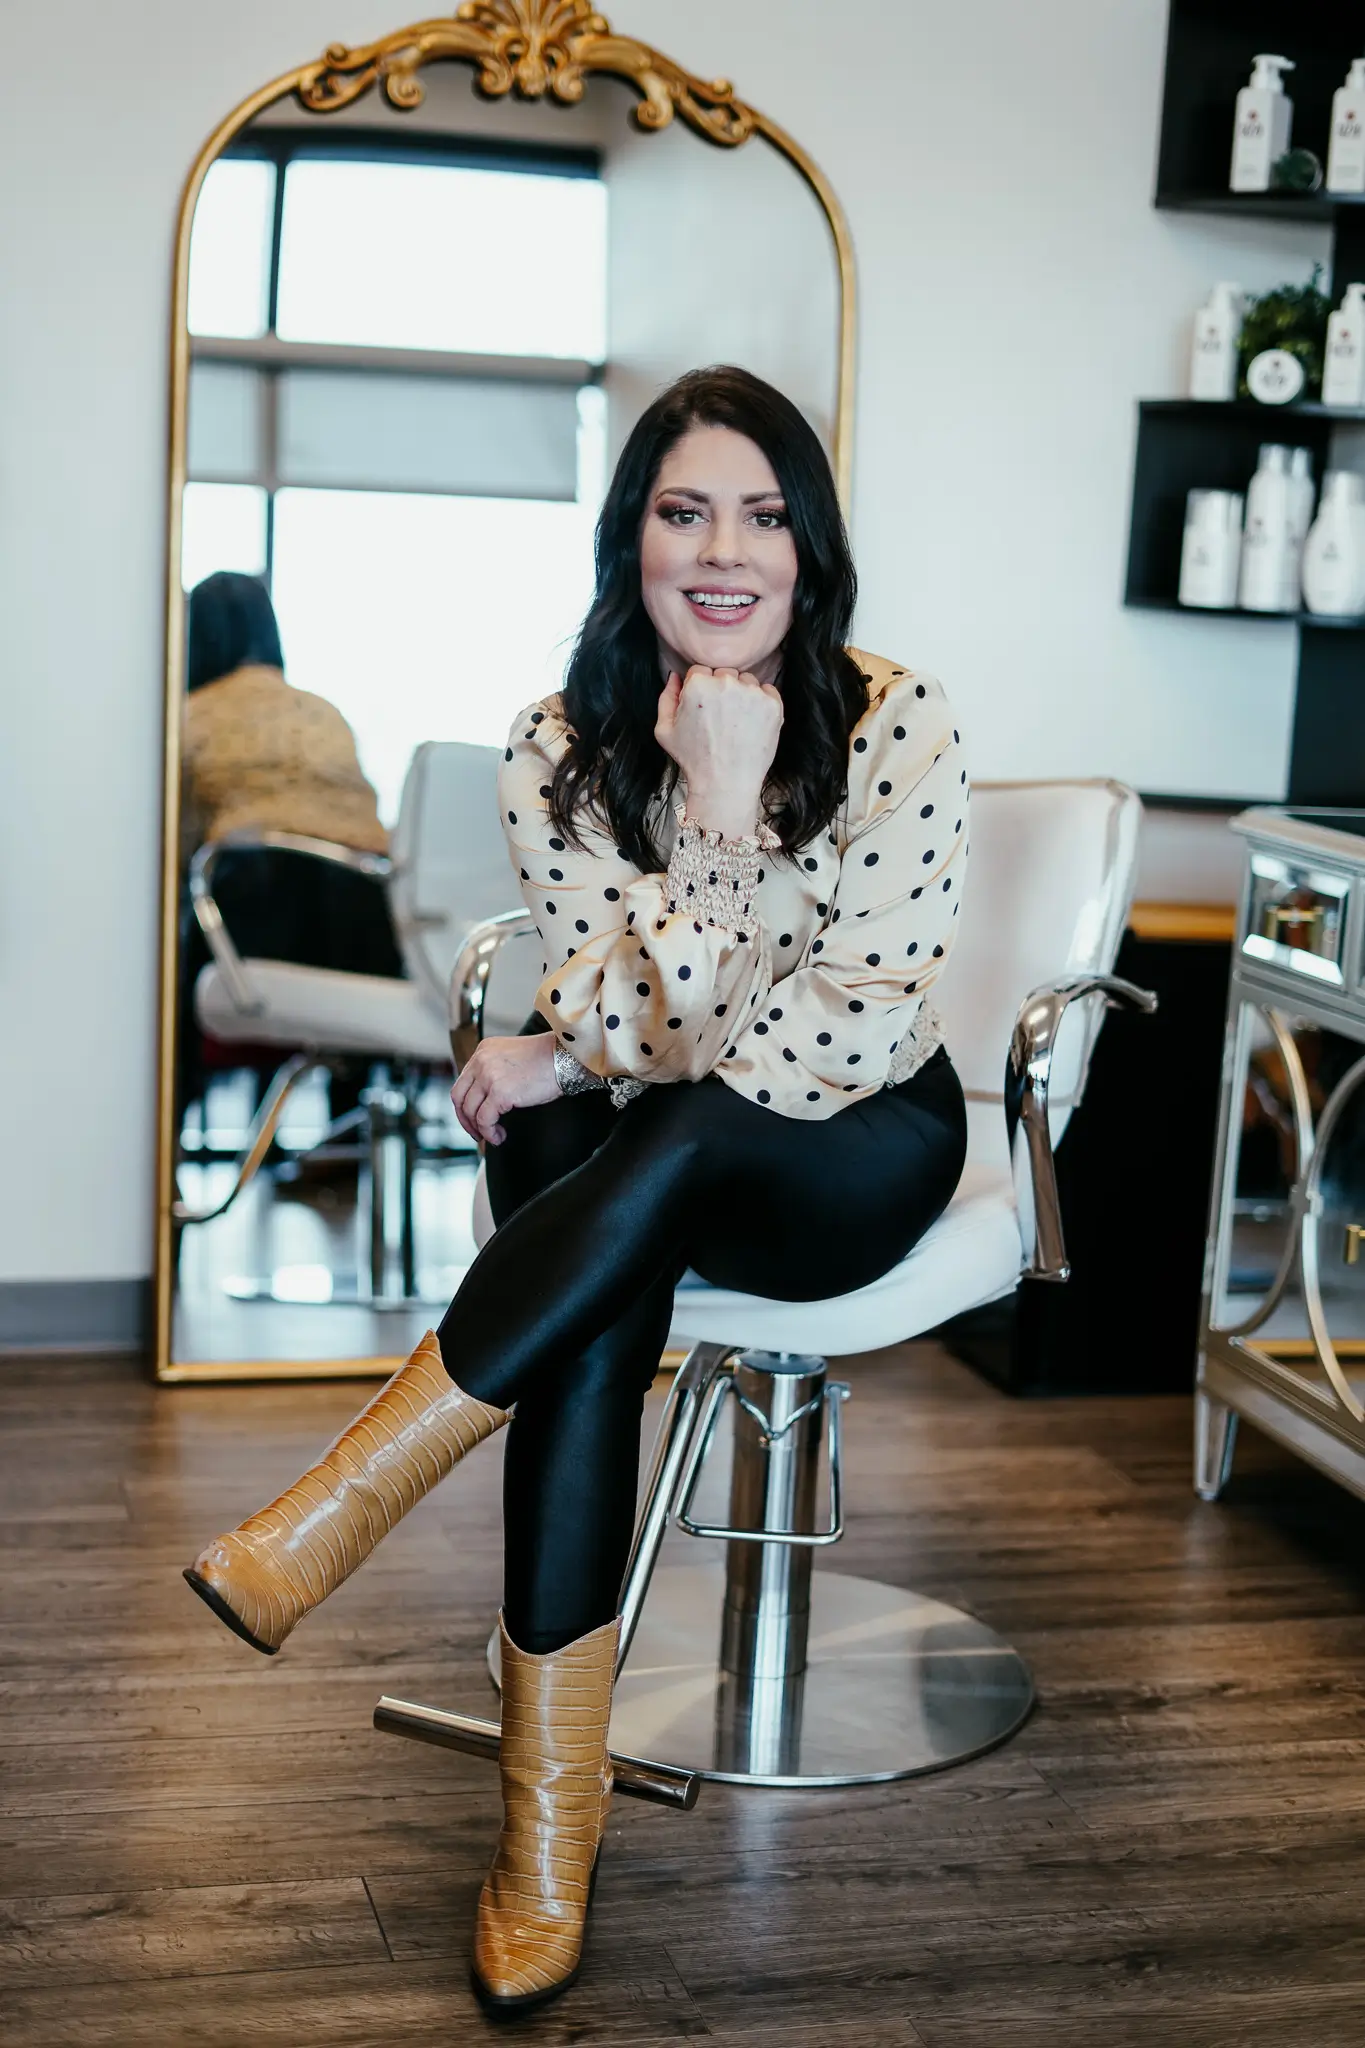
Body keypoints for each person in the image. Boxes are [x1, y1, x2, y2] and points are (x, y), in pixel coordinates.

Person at [183, 367, 970, 2015]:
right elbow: (645, 1023)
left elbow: (834, 1032)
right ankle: (546, 1833)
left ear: (811, 550)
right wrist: (584, 1037)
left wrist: (728, 829)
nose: (724, 552)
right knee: (577, 1169)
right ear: (633, 543)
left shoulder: (902, 720)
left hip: (862, 1146)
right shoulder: (556, 751)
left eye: (764, 514)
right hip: (669, 1141)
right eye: (685, 511)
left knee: (651, 1130)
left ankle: (342, 1500)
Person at [178, 572, 402, 1121]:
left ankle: (164, 1147)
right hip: (366, 933)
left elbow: (173, 851)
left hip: (254, 924)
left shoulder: (188, 716)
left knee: (166, 961)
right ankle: (342, 1145)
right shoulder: (323, 713)